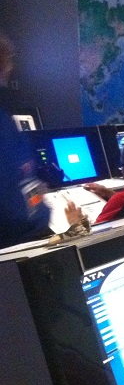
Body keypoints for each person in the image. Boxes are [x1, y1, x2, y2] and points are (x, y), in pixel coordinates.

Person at [0, 31, 51, 249]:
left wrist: (38, 193)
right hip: (18, 244)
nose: (10, 68)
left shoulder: (4, 119)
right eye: (8, 59)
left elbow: (24, 177)